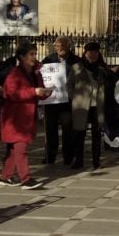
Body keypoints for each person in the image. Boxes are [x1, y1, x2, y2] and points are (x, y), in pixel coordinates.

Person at [0, 42, 52, 189]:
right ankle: (26, 178)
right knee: (20, 148)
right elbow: (12, 94)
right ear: (22, 57)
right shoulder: (14, 74)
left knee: (13, 149)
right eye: (31, 54)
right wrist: (34, 92)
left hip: (26, 117)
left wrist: (44, 93)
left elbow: (37, 92)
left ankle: (5, 176)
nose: (34, 57)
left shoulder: (34, 73)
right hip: (15, 119)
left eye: (35, 54)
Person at [68, 42, 109, 170]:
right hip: (81, 105)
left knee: (96, 134)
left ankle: (96, 161)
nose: (93, 54)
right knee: (80, 133)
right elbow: (69, 85)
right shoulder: (76, 67)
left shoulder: (102, 69)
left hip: (97, 105)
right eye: (90, 52)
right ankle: (78, 160)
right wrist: (74, 98)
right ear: (85, 53)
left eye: (96, 52)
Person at [41, 36, 79, 165]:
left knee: (68, 129)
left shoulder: (76, 61)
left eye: (63, 45)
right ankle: (50, 155)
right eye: (58, 46)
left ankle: (68, 156)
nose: (60, 48)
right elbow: (41, 76)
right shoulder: (48, 60)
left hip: (67, 101)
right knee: (50, 129)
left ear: (69, 46)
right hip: (51, 101)